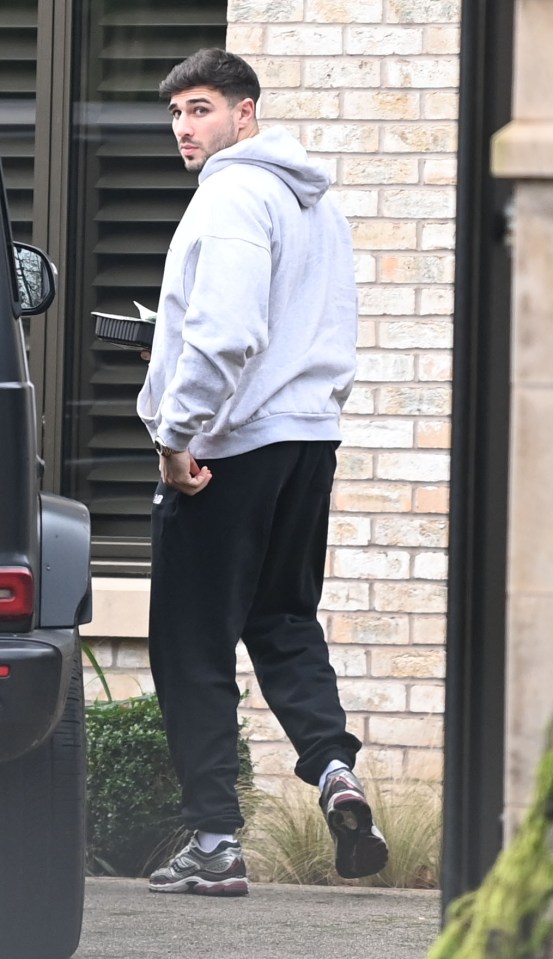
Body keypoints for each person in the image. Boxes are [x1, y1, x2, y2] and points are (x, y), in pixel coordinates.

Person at [137, 47, 388, 897]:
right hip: (307, 440)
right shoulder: (316, 204)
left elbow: (228, 331)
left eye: (200, 109)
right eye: (175, 114)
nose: (184, 128)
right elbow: (320, 325)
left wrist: (177, 436)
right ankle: (332, 772)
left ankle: (214, 840)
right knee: (283, 620)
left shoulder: (234, 194)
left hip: (225, 450)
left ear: (246, 113)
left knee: (189, 643)